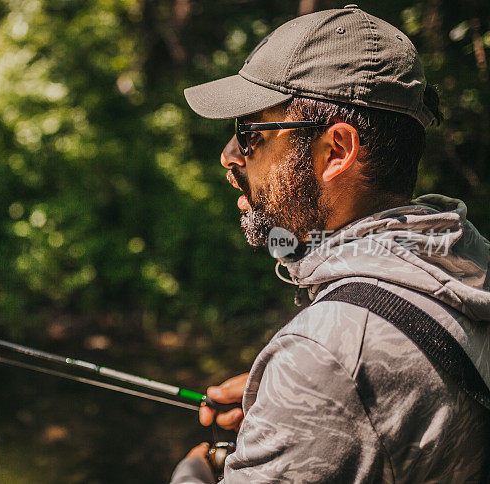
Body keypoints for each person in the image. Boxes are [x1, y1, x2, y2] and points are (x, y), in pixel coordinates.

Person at [170, 4, 490, 483]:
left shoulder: (327, 356)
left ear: (336, 151)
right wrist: (288, 403)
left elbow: (346, 366)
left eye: (250, 133)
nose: (228, 155)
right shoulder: (460, 266)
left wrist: (197, 468)